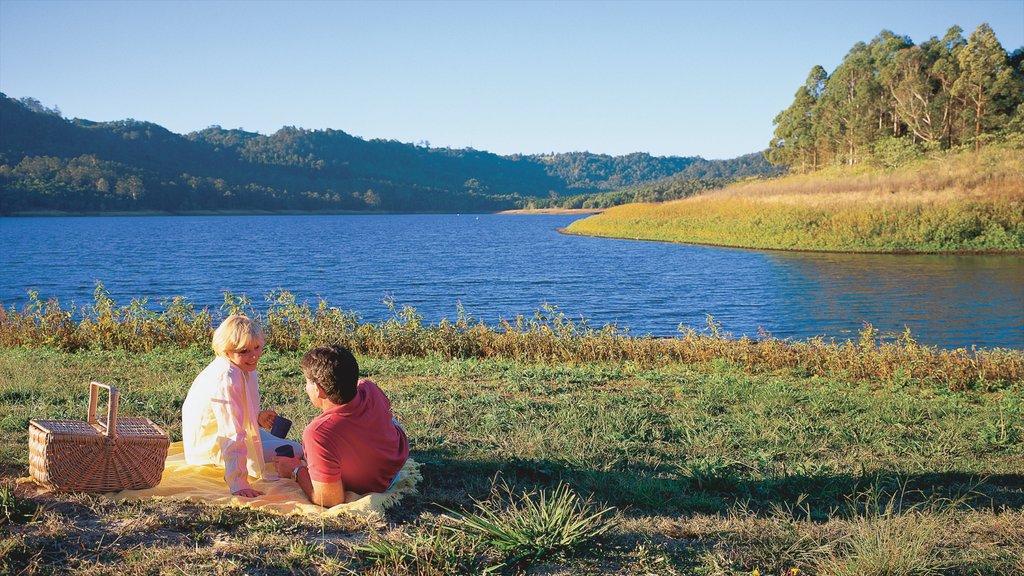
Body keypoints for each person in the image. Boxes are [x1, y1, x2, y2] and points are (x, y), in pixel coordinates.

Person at [181, 315, 302, 497]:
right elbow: (230, 433)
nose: (253, 356)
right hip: (211, 448)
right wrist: (238, 483)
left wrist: (258, 418)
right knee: (297, 450)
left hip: (225, 435)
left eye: (257, 347)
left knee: (295, 447)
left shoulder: (242, 368)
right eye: (243, 351)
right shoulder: (226, 377)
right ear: (226, 351)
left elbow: (237, 414)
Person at [274, 345, 409, 507]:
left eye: (307, 383)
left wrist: (295, 470)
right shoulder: (368, 387)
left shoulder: (318, 433)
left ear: (318, 390)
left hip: (377, 484)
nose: (305, 388)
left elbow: (330, 499)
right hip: (396, 461)